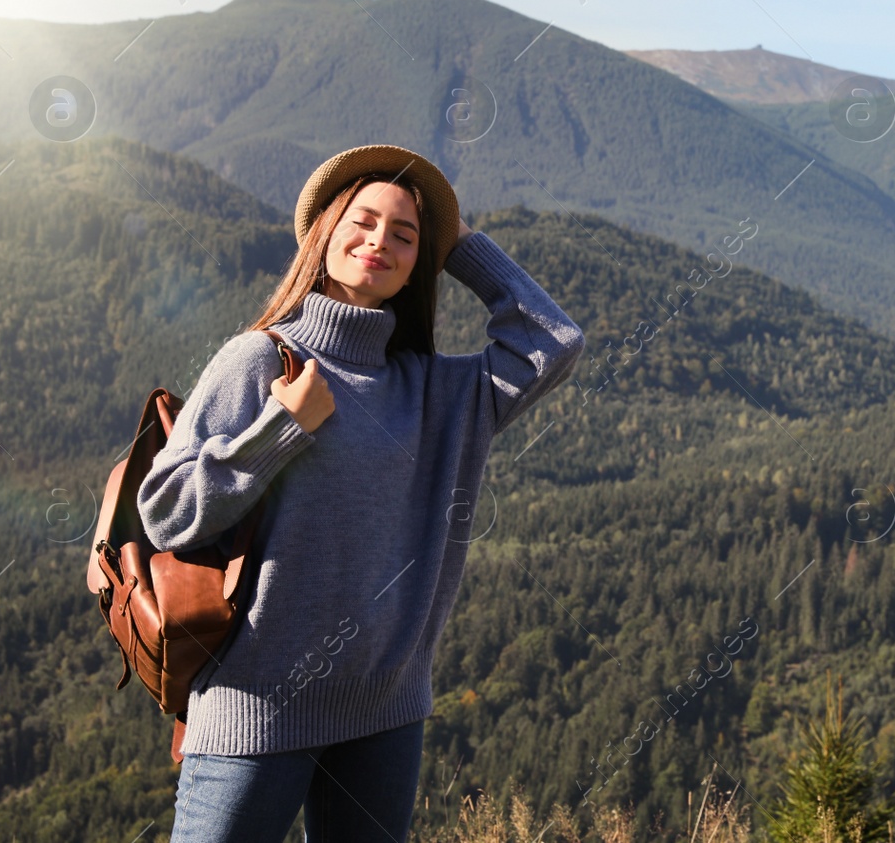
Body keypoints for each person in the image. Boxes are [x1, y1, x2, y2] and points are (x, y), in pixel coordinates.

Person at [137, 144, 585, 842]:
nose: (380, 241)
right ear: (324, 233)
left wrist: (458, 241)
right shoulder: (260, 359)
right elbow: (165, 513)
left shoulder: (438, 391)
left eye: (405, 235)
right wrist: (279, 427)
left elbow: (552, 340)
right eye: (363, 221)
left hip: (385, 714)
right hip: (257, 708)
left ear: (421, 262)